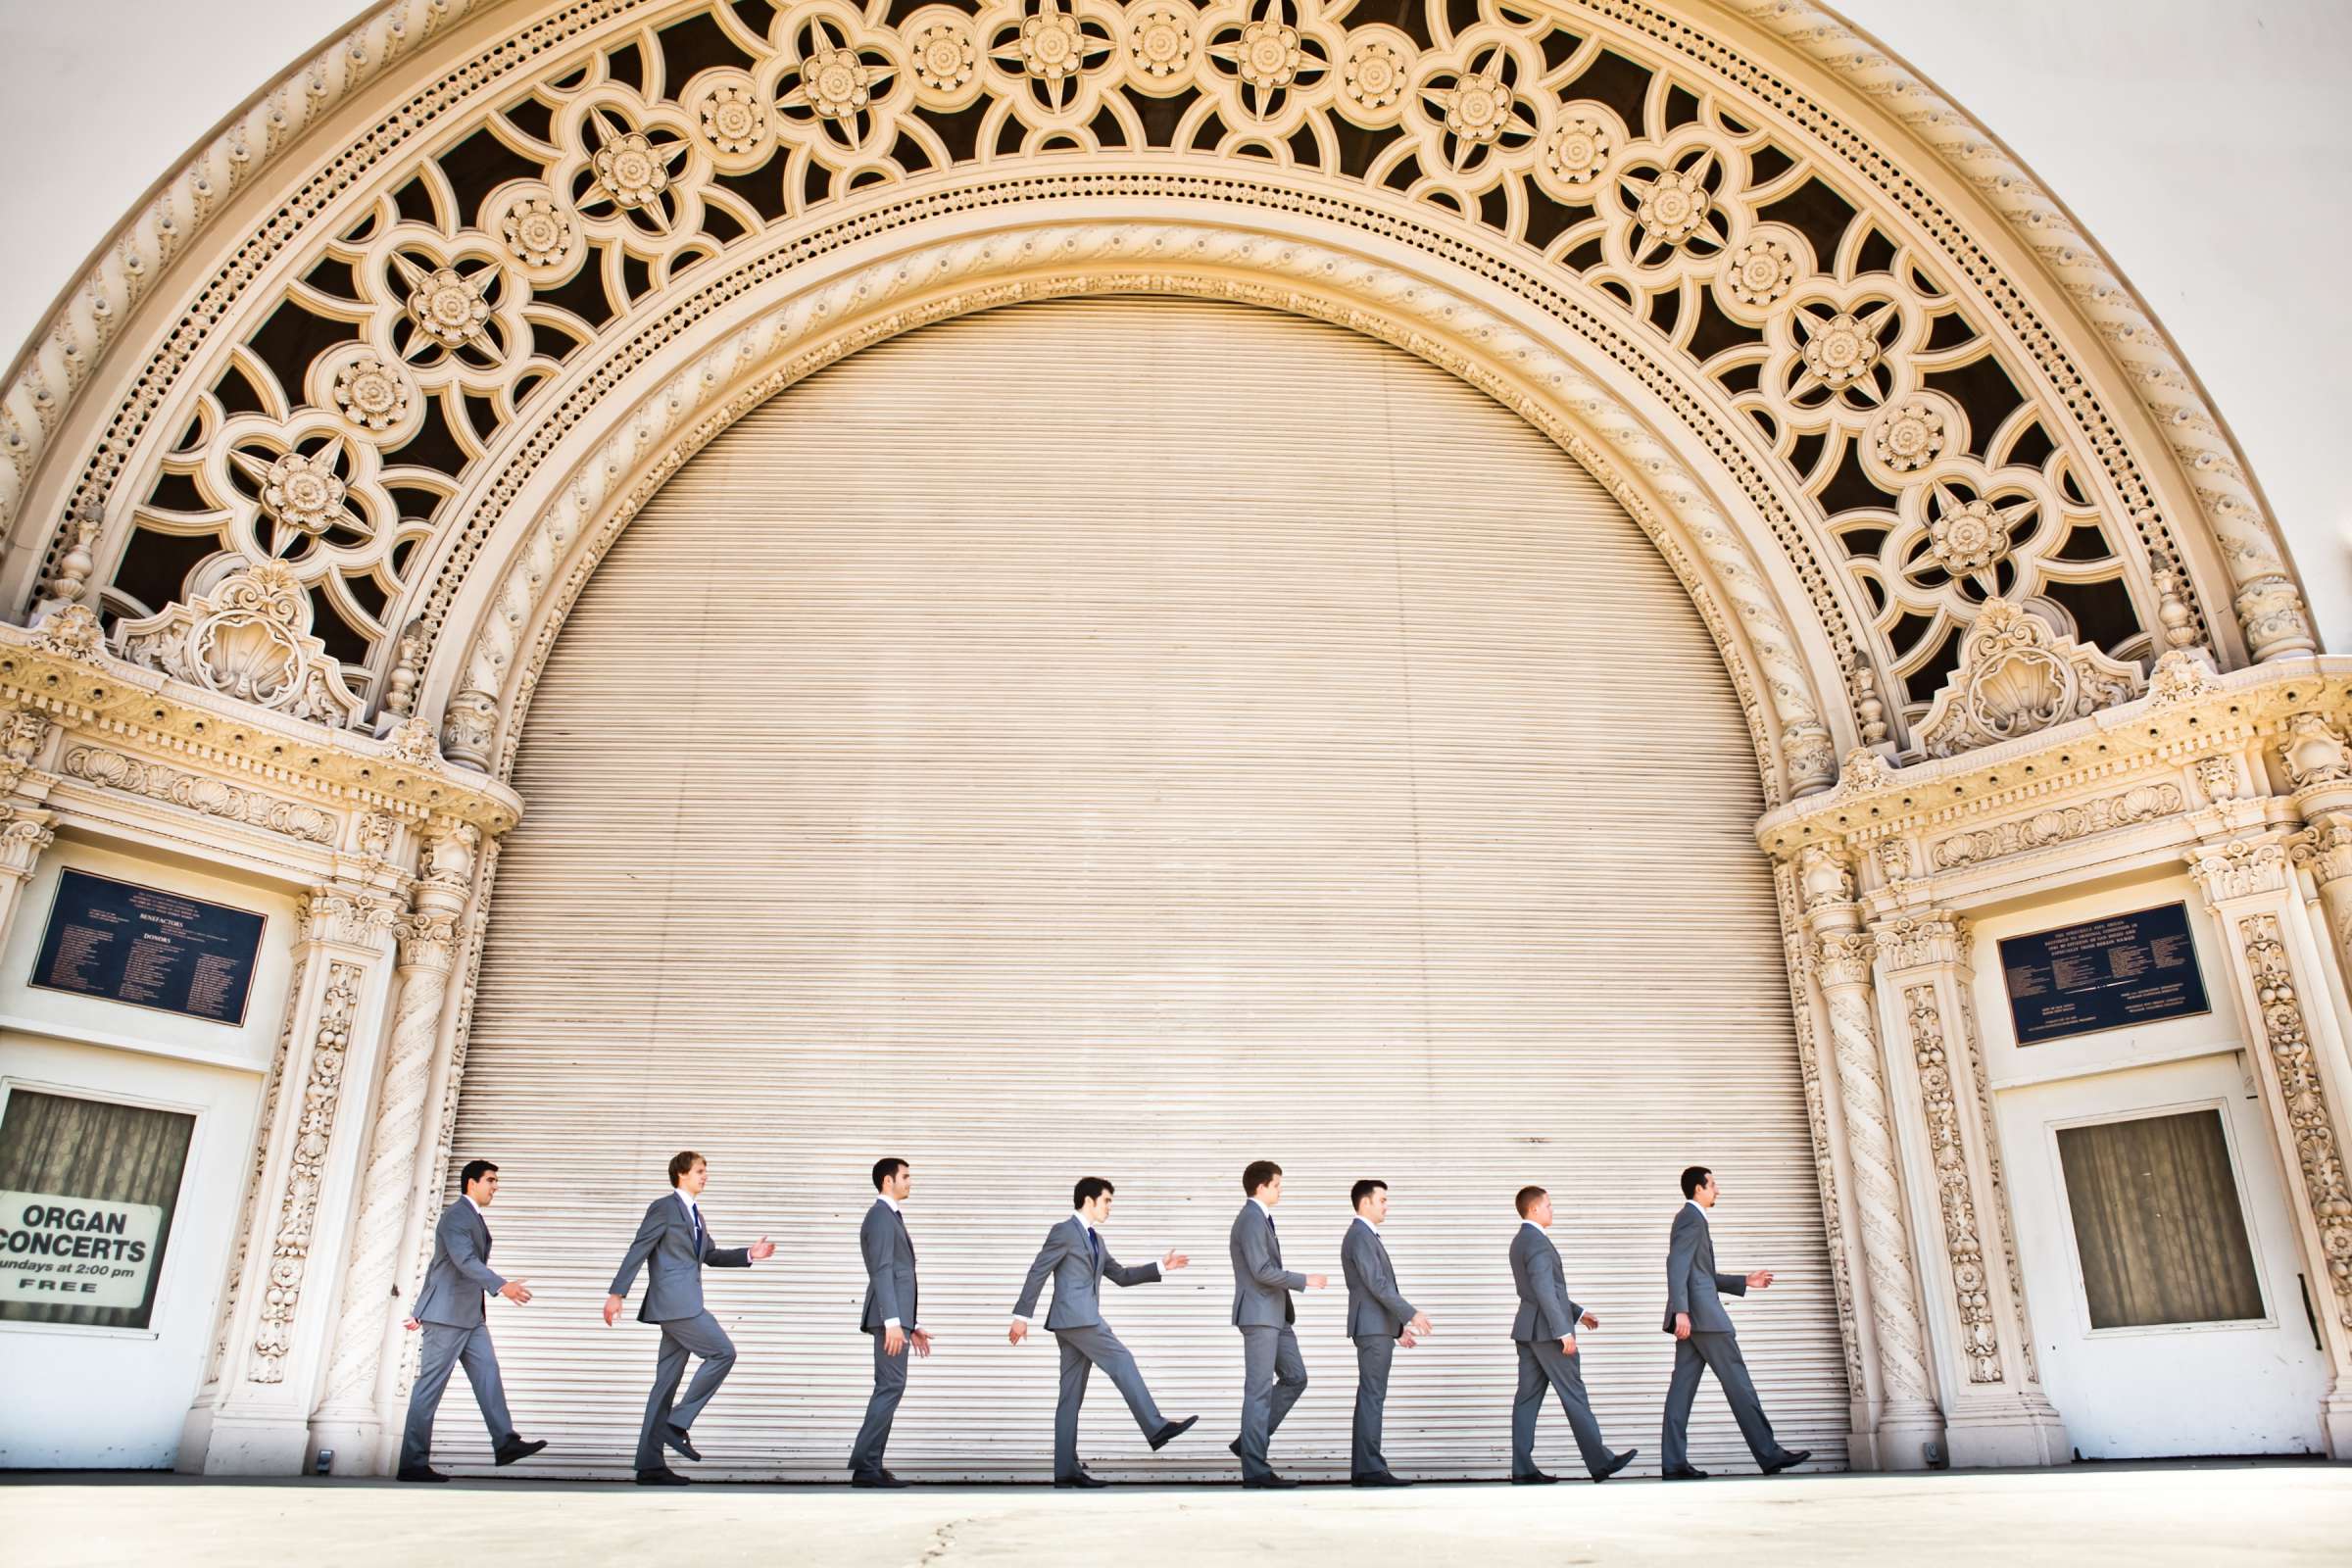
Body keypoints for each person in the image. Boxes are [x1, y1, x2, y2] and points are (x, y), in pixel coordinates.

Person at [1009, 1176, 1199, 1486]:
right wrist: (1021, 1316)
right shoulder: (1064, 1232)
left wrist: (1161, 1266)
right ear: (1088, 1200)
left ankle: (1065, 1470)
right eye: (1107, 1200)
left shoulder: (1096, 1239)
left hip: (1074, 1321)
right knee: (1122, 1360)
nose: (1110, 1207)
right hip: (1078, 1319)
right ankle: (1155, 1427)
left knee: (1070, 1396)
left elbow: (1121, 1276)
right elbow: (1038, 1271)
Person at [603, 1150, 774, 1485]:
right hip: (676, 1304)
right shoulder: (664, 1207)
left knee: (665, 1384)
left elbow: (709, 1255)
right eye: (700, 1170)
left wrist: (749, 1255)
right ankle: (677, 1423)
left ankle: (649, 1465)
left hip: (681, 1304)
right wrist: (616, 1294)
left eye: (706, 1170)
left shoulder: (695, 1214)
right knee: (723, 1352)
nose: (705, 1175)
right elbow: (639, 1248)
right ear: (682, 1174)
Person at [395, 1158, 549, 1482]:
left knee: (488, 1375)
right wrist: (501, 1285)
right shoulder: (456, 1217)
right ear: (471, 1183)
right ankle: (412, 1463)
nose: (496, 1186)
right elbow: (462, 1261)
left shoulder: (472, 1218)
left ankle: (505, 1442)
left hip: (469, 1317)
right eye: (491, 1180)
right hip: (449, 1317)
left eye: (496, 1180)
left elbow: (441, 1268)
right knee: (429, 1390)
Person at [1661, 1165, 1813, 1480]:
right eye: (1713, 1185)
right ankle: (1770, 1454)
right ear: (1698, 1189)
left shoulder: (1692, 1219)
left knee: (1681, 1392)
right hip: (1705, 1320)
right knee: (1740, 1387)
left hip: (1695, 1319)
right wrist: (1681, 1311)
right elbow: (1676, 1266)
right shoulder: (1691, 1218)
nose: (1718, 1190)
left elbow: (1699, 1275)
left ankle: (1673, 1462)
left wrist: (1744, 1281)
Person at [1508, 1186, 1637, 1485]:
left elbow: (1542, 1291)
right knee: (1574, 1394)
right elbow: (1544, 1290)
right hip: (1547, 1332)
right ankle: (1601, 1461)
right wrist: (1563, 1330)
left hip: (1528, 1330)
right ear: (1534, 1210)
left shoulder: (1520, 1241)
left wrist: (1578, 1313)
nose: (1553, 1210)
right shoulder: (1538, 1242)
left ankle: (1522, 1467)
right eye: (1549, 1205)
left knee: (1526, 1400)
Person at [1227, 1159, 1327, 1488]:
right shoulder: (1252, 1219)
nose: (1280, 1190)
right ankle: (1255, 1470)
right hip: (1259, 1315)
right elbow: (1261, 1271)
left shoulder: (1262, 1219)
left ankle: (1249, 1442)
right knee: (1258, 1391)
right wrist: (1304, 1279)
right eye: (1277, 1185)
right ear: (1261, 1187)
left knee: (1295, 1377)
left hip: (1275, 1314)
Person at [1340, 1178, 1432, 1487]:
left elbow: (1373, 1288)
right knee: (1372, 1396)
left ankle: (1365, 1468)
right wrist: (1410, 1313)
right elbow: (1377, 1284)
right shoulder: (1361, 1235)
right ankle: (1369, 1469)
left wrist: (1395, 1329)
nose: (1386, 1205)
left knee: (1371, 1395)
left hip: (1377, 1327)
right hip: (1371, 1328)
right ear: (1365, 1203)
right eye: (1382, 1200)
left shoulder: (1365, 1235)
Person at [849, 1156, 929, 1488]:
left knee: (890, 1387)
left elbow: (896, 1275)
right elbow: (882, 1270)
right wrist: (893, 1321)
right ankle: (866, 1467)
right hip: (888, 1318)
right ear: (887, 1181)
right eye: (906, 1177)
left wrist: (912, 1322)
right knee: (889, 1387)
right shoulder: (881, 1217)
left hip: (895, 1317)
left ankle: (871, 1464)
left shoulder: (890, 1216)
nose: (910, 1182)